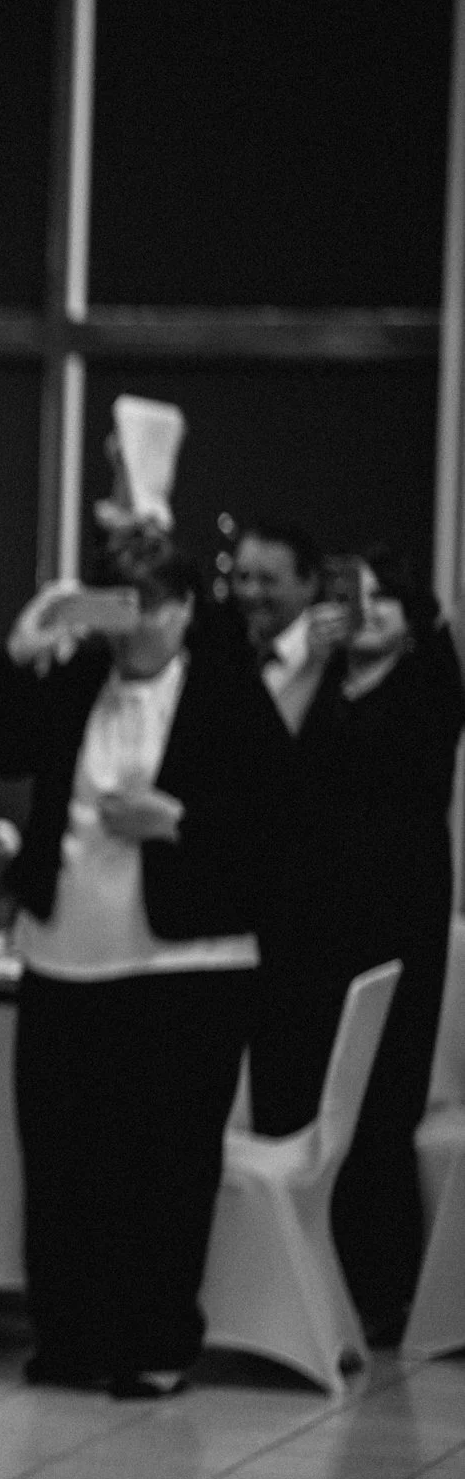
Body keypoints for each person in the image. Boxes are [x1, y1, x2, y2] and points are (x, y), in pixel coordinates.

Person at [0, 530, 287, 1400]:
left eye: (148, 606)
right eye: (117, 605)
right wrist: (24, 650)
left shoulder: (223, 691)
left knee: (164, 1162)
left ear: (183, 609)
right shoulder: (76, 680)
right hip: (65, 950)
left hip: (188, 959)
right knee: (64, 1154)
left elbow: (279, 825)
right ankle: (67, 1337)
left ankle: (154, 1340)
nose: (131, 624)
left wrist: (174, 820)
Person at [247, 550, 464, 1337]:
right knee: (303, 1087)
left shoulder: (426, 688)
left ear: (415, 619)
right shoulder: (326, 688)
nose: (367, 610)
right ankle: (309, 1274)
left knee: (382, 1100)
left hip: (393, 919)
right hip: (312, 926)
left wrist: (429, 633)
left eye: (385, 598)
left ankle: (382, 1285)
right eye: (354, 596)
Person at [230, 519, 328, 731]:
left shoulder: (334, 660)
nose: (251, 592)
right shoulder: (221, 650)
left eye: (267, 580)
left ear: (309, 583)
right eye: (243, 577)